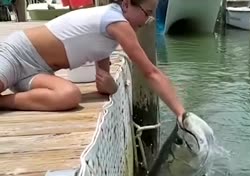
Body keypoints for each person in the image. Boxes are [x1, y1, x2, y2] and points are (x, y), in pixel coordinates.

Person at [0, 0, 186, 121]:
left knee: (70, 95)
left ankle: (4, 102)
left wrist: (111, 85)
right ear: (127, 4)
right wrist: (182, 115)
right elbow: (151, 72)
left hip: (38, 72)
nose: (147, 20)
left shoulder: (110, 38)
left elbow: (103, 85)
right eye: (147, 13)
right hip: (16, 54)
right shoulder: (116, 21)